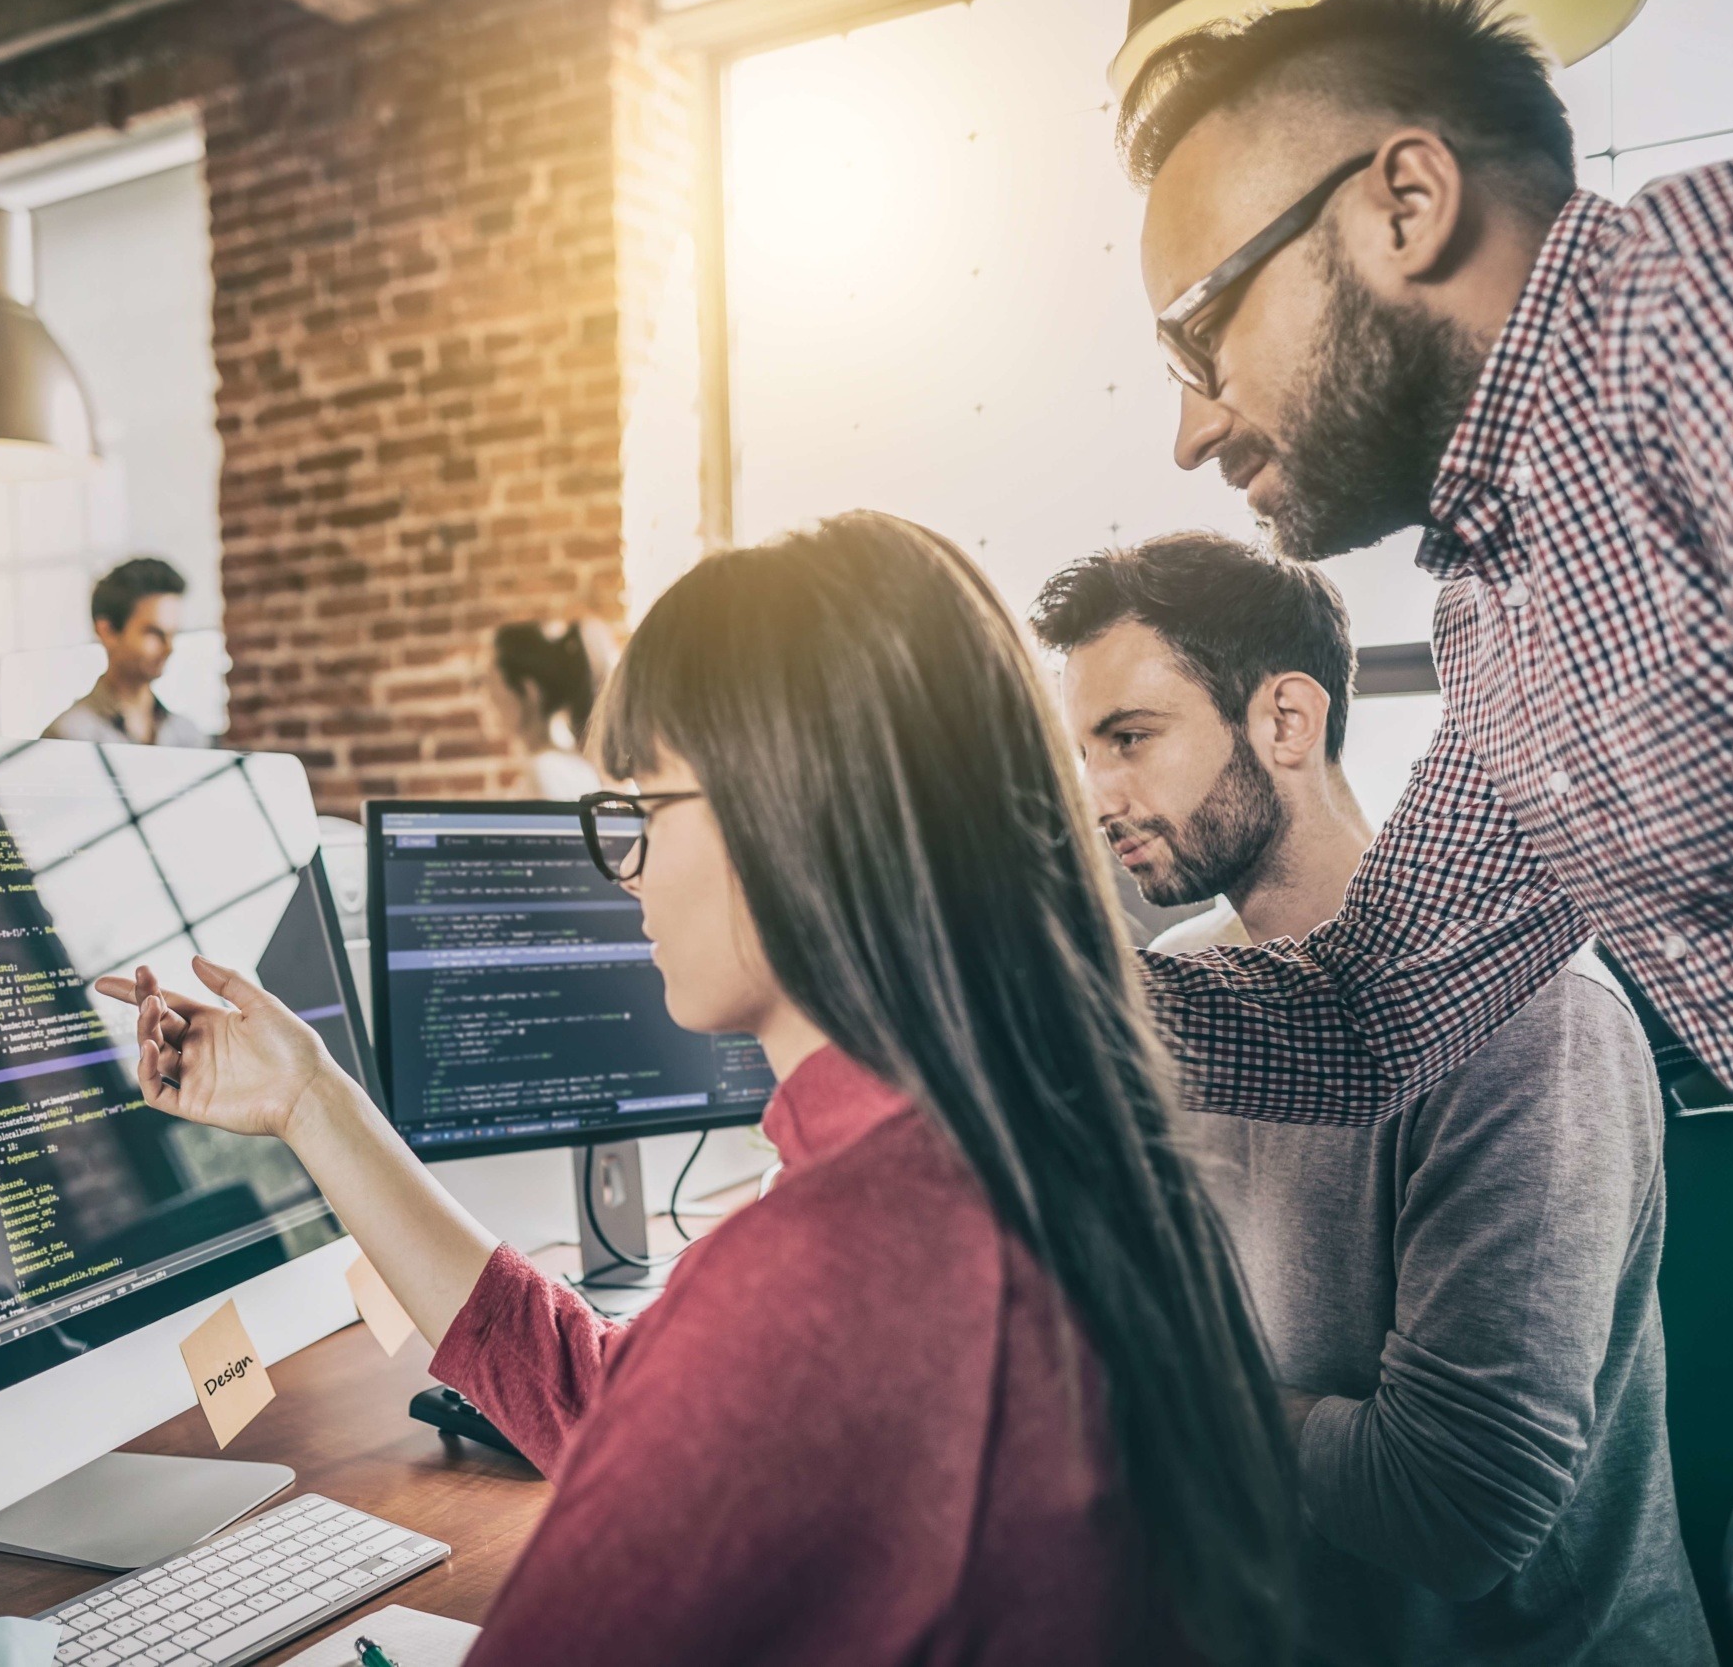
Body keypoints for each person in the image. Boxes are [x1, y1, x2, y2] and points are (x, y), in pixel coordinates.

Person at [1113, 0, 1733, 1661]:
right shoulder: (1516, 587)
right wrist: (978, 992)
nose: (1189, 429)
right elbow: (1374, 1010)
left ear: (1404, 202)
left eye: (1200, 330)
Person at [98, 511, 1299, 1666]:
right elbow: (621, 1409)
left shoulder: (830, 1271)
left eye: (642, 810)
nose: (626, 873)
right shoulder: (1044, 1149)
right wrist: (312, 1099)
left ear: (794, 821)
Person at [1036, 530, 1713, 1665]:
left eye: (1132, 739)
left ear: (1285, 721)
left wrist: (1149, 1393)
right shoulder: (1190, 994)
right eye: (1083, 751)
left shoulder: (1530, 1016)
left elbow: (1451, 1509)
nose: (1098, 796)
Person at [44, 557, 212, 748]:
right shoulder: (67, 736)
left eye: (172, 634)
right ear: (106, 632)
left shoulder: (189, 735)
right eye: (154, 633)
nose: (169, 648)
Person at [486, 620, 611, 798]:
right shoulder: (565, 766)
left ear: (529, 691)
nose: (490, 700)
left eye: (495, 687)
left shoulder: (546, 772)